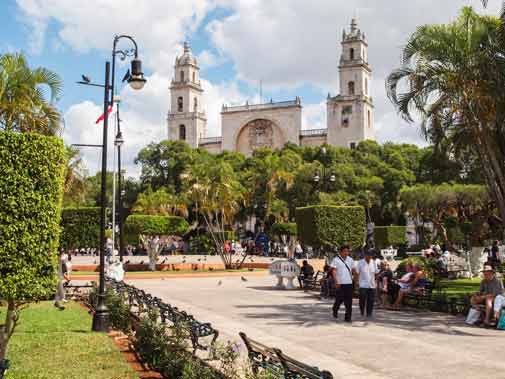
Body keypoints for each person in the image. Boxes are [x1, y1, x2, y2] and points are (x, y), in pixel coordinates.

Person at [330, 245, 356, 322]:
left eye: (347, 251)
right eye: (344, 251)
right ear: (340, 252)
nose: (346, 253)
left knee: (349, 301)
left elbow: (353, 270)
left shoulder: (350, 260)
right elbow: (334, 271)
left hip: (349, 283)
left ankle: (348, 317)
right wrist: (336, 281)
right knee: (339, 299)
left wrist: (355, 279)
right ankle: (335, 308)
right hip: (340, 283)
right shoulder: (336, 260)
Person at [356, 250, 379, 318]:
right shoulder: (360, 262)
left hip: (372, 284)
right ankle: (362, 311)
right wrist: (357, 282)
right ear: (365, 255)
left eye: (370, 255)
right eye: (368, 255)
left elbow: (376, 273)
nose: (369, 257)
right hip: (363, 284)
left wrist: (376, 282)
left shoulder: (374, 262)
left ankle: (369, 313)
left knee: (371, 300)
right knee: (362, 299)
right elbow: (357, 273)